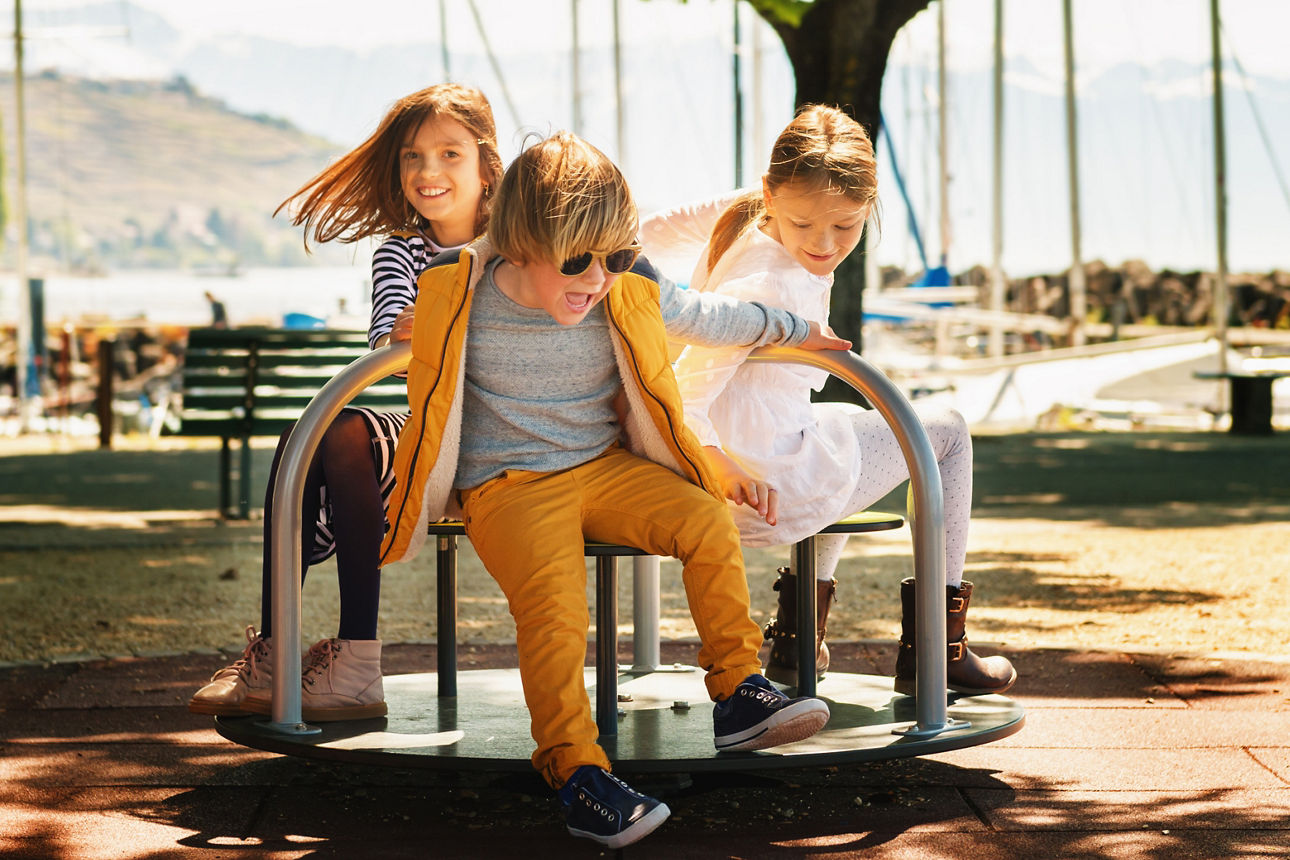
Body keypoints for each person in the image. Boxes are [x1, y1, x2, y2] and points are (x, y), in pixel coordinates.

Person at [377, 131, 846, 849]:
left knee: (702, 519)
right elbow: (402, 353)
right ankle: (575, 773)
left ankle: (738, 690)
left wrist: (793, 327)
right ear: (521, 242)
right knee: (556, 610)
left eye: (615, 258)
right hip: (508, 485)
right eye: (576, 261)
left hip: (602, 466)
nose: (597, 279)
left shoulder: (621, 282)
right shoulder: (459, 287)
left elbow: (704, 313)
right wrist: (405, 337)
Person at [647, 105, 1016, 696]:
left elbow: (649, 230)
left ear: (869, 206)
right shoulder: (773, 281)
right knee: (945, 429)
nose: (822, 244)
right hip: (755, 483)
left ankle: (797, 645)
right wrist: (720, 461)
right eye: (803, 224)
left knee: (842, 434)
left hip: (758, 459)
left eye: (845, 227)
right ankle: (938, 649)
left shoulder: (751, 212)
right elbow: (684, 393)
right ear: (771, 195)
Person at [188, 83, 504, 721]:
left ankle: (345, 662)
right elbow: (393, 333)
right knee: (313, 439)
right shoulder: (400, 250)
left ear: (485, 162)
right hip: (433, 430)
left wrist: (447, 322)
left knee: (333, 434)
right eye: (413, 157)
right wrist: (420, 328)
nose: (428, 172)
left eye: (449, 154)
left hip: (505, 431)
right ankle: (302, 652)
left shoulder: (517, 242)